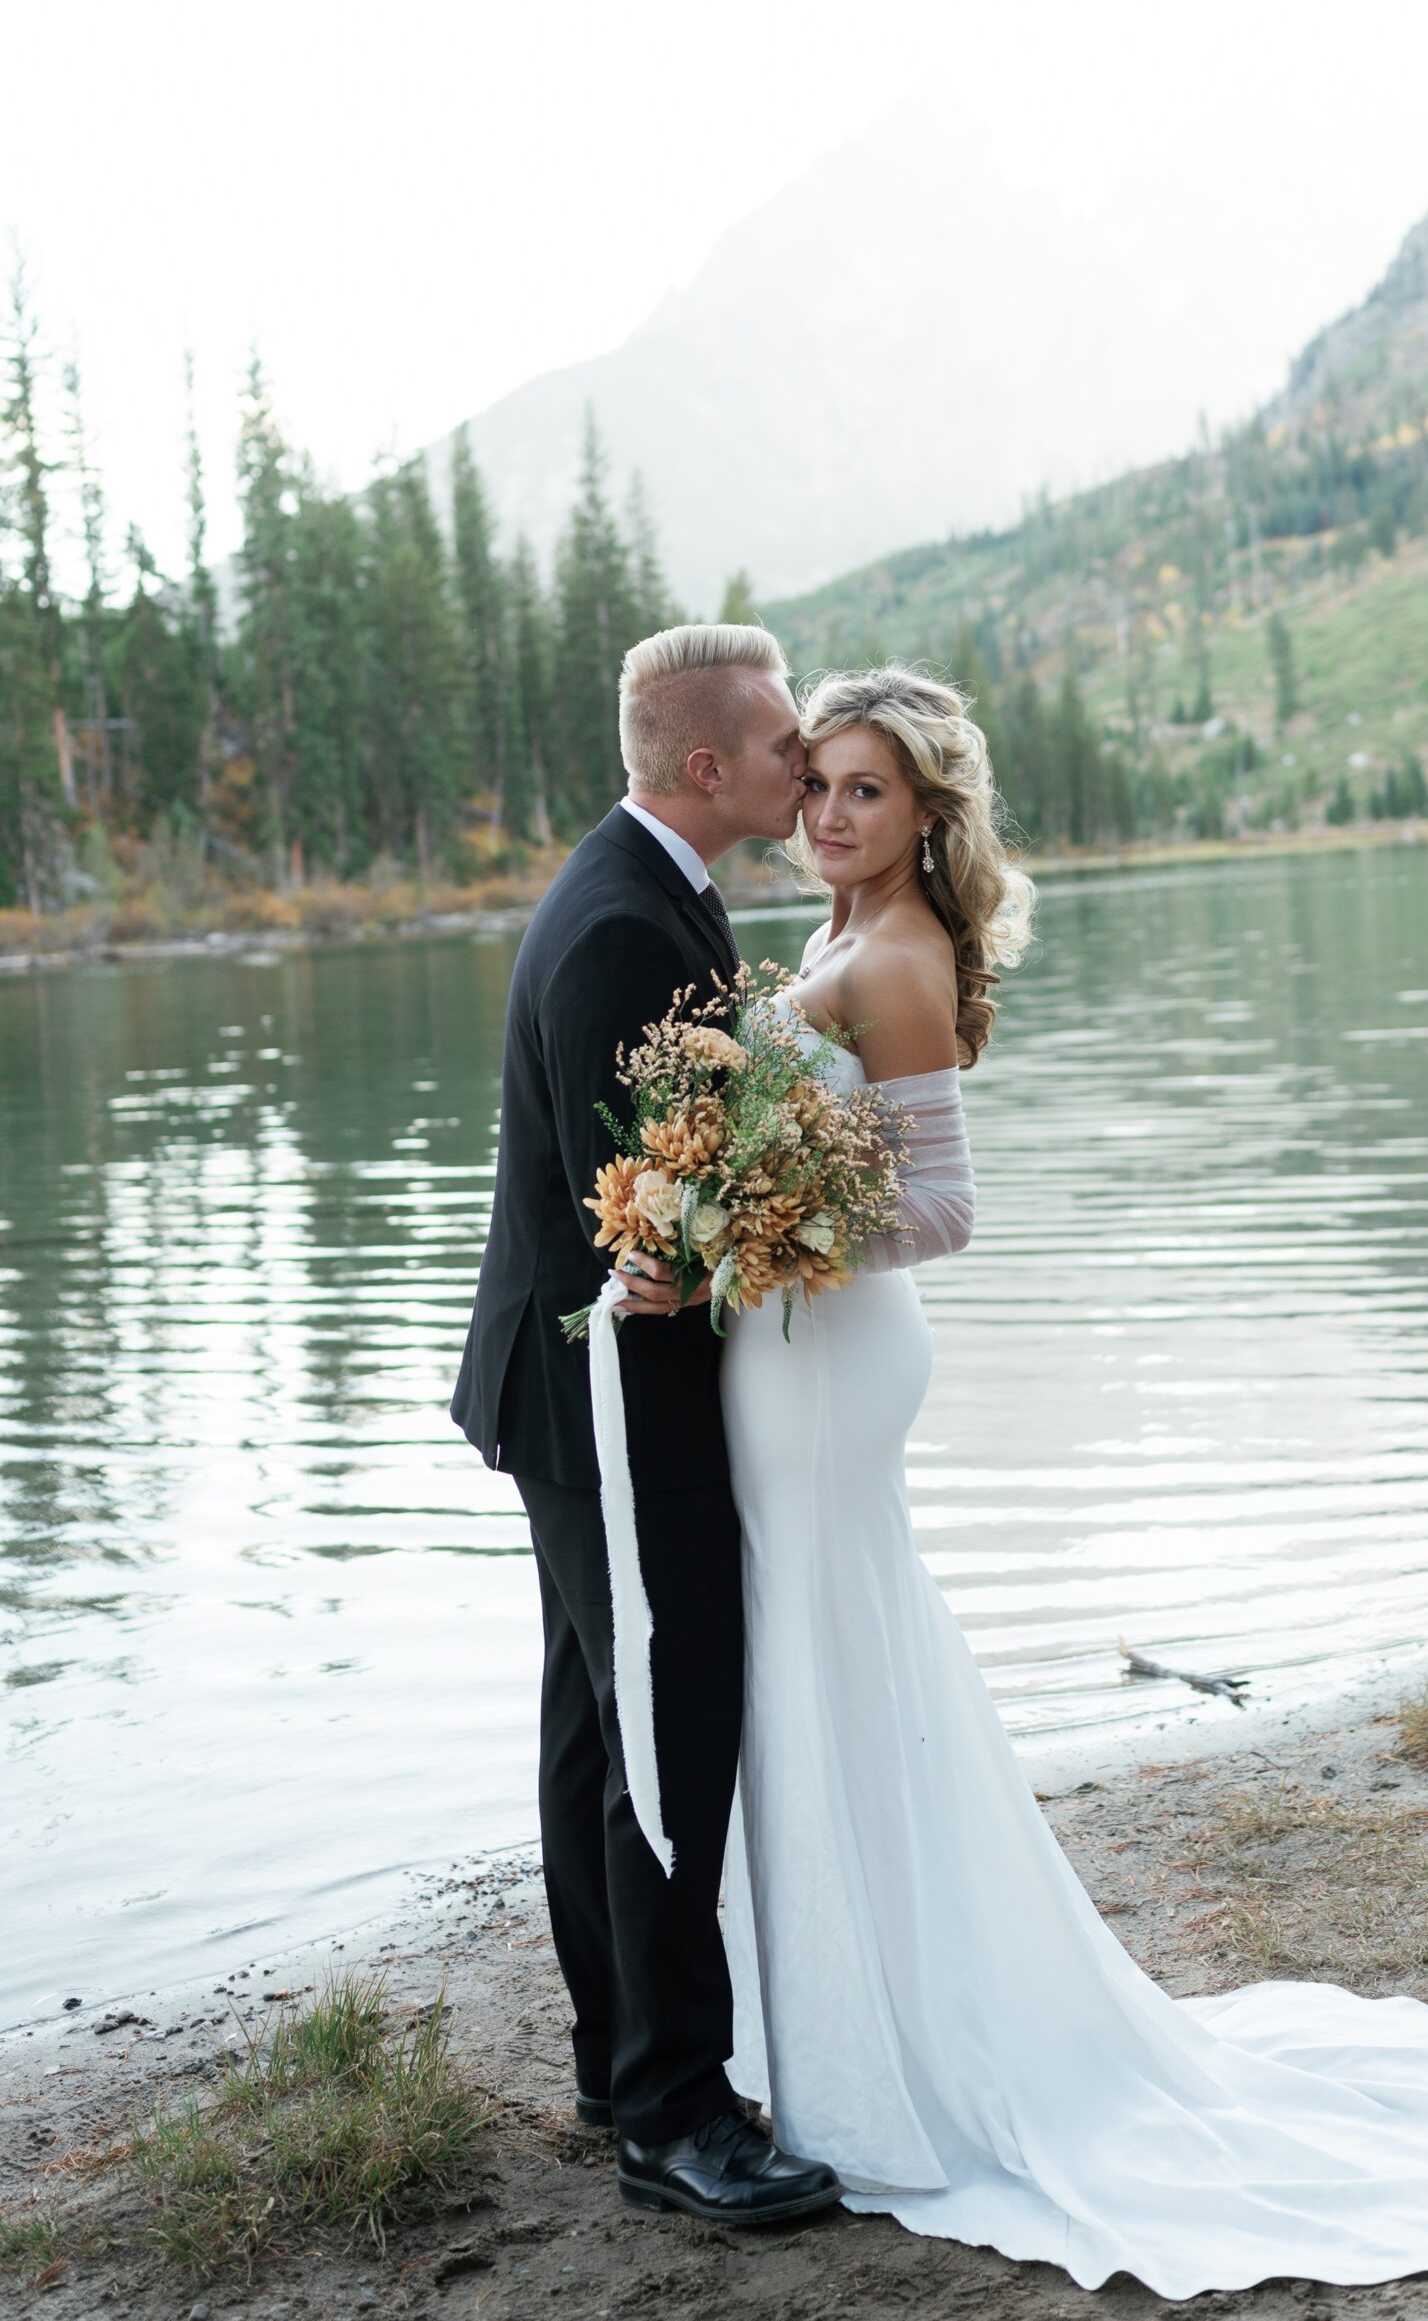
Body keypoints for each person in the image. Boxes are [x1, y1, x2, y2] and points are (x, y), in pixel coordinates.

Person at [717, 662, 1428, 2298]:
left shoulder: (903, 957)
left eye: (865, 791)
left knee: (832, 1642)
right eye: (818, 788)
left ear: (928, 811)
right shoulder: (838, 939)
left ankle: (901, 2046)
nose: (828, 815)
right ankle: (838, 2017)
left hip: (837, 1348)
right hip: (792, 1343)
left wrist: (765, 1223)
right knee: (822, 1653)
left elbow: (943, 1212)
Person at [450, 621, 843, 2228]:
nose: (801, 768)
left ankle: (623, 2059)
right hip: (612, 1398)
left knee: (594, 1737)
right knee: (666, 1742)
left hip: (565, 1393)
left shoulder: (645, 887)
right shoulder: (624, 925)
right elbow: (652, 1223)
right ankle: (674, 2117)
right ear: (705, 768)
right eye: (779, 751)